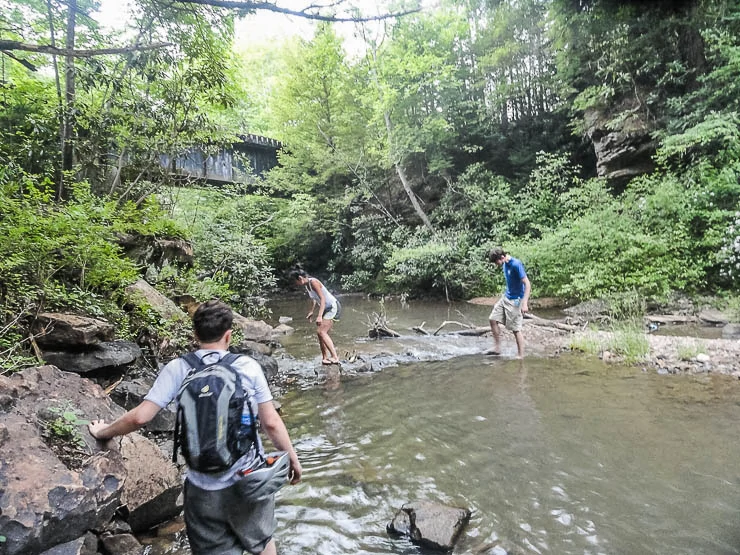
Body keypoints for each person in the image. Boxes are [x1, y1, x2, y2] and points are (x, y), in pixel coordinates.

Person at [88, 300, 302, 555]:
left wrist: (103, 432)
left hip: (202, 489)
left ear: (195, 335)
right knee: (263, 540)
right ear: (229, 334)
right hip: (248, 482)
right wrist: (292, 460)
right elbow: (270, 423)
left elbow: (140, 418)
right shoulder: (247, 367)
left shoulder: (179, 368)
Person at [289, 267, 341, 365]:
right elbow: (314, 299)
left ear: (300, 278)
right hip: (325, 308)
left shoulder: (313, 282)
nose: (294, 284)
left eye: (294, 281)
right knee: (320, 333)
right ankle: (325, 358)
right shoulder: (307, 285)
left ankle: (335, 357)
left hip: (332, 307)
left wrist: (319, 316)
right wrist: (311, 311)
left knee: (321, 332)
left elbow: (322, 299)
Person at [487, 247, 531, 359]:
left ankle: (521, 356)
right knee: (492, 319)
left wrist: (524, 303)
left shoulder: (516, 264)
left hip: (516, 300)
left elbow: (527, 284)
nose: (496, 265)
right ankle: (497, 348)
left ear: (502, 257)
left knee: (516, 329)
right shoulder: (505, 264)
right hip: (506, 297)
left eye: (496, 262)